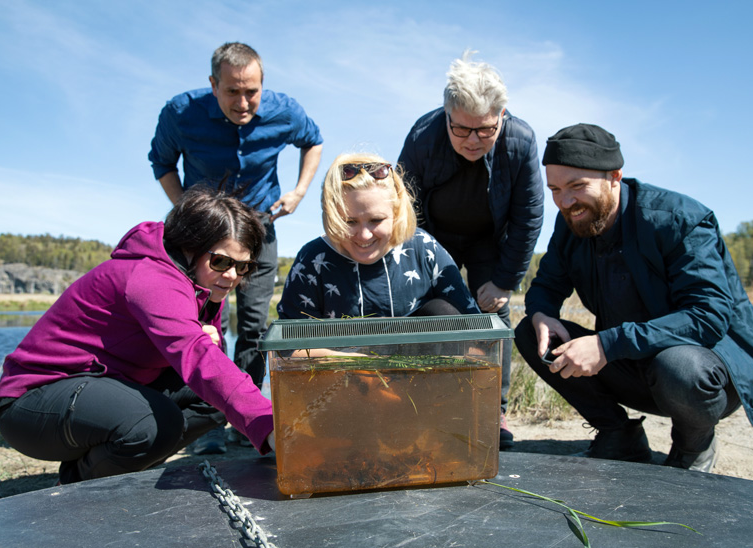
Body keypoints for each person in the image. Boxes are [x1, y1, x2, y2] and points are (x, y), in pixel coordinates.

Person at [514, 123, 753, 472]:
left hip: (706, 374)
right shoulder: (571, 225)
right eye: (556, 189)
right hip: (635, 364)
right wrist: (542, 314)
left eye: (577, 186)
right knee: (531, 333)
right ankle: (619, 436)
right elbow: (546, 285)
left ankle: (692, 447)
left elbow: (707, 316)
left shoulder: (679, 220)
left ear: (615, 177)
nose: (565, 201)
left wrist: (607, 345)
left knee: (678, 367)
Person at [0, 186, 275, 484]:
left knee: (213, 401)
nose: (232, 275)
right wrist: (269, 425)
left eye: (243, 266)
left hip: (103, 385)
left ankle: (99, 467)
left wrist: (258, 417)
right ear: (190, 245)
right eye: (221, 261)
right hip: (32, 402)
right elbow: (196, 354)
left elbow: (211, 367)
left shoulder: (205, 286)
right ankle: (81, 485)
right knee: (155, 425)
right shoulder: (152, 278)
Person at [148, 42, 323, 453]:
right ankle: (206, 423)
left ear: (263, 85)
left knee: (253, 327)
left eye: (252, 91)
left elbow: (313, 141)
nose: (243, 102)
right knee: (201, 326)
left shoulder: (285, 111)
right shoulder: (180, 113)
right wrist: (187, 212)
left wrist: (299, 191)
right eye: (232, 92)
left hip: (259, 231)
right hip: (202, 237)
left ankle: (247, 422)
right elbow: (162, 163)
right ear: (213, 85)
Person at [397, 51, 544, 450]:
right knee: (434, 314)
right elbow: (403, 207)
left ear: (501, 115)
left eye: (486, 130)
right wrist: (424, 266)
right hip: (432, 236)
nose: (474, 140)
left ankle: (493, 412)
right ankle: (431, 405)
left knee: (493, 316)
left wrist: (505, 281)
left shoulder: (521, 140)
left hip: (488, 239)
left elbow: (529, 217)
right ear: (447, 114)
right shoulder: (422, 135)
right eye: (461, 130)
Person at [278, 153, 481, 328]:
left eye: (376, 220)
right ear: (331, 216)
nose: (364, 235)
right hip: (340, 367)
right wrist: (365, 366)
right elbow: (290, 345)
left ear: (396, 213)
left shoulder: (422, 246)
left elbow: (474, 324)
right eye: (350, 221)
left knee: (442, 310)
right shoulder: (313, 260)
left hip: (418, 367)